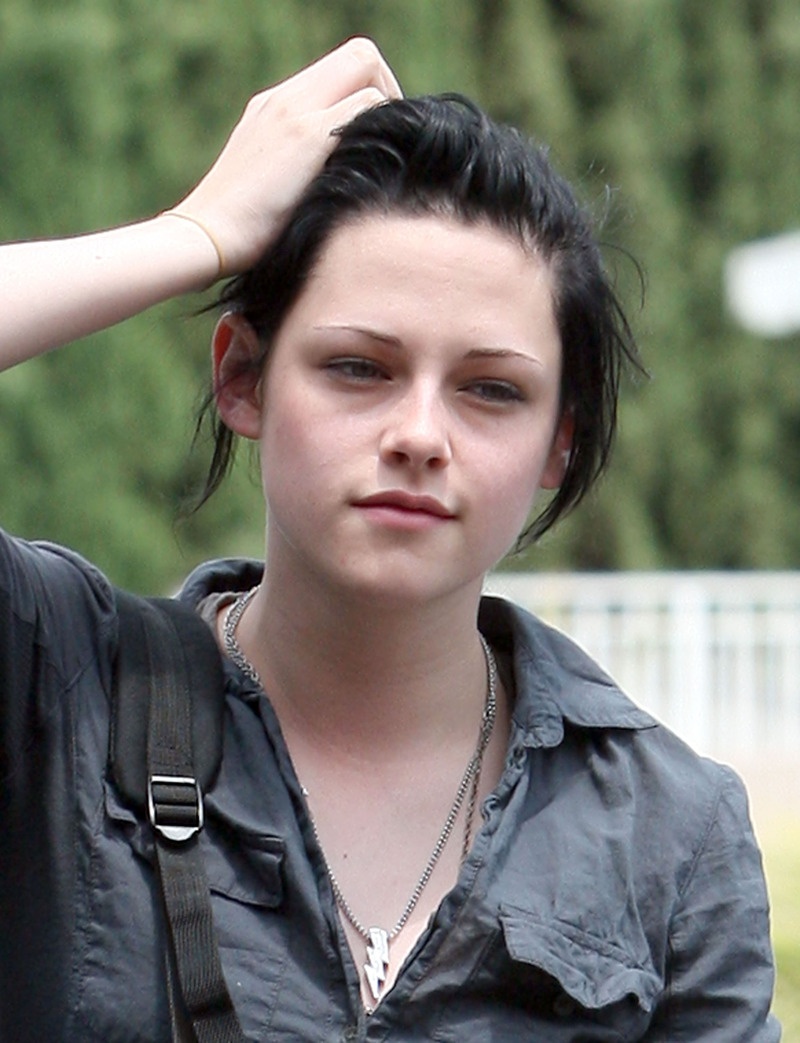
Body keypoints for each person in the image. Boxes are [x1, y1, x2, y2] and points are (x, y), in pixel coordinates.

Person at [0, 36, 780, 1042]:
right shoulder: (57, 685)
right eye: (359, 368)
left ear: (559, 441)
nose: (419, 434)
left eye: (490, 389)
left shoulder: (667, 831)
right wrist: (194, 234)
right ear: (240, 377)